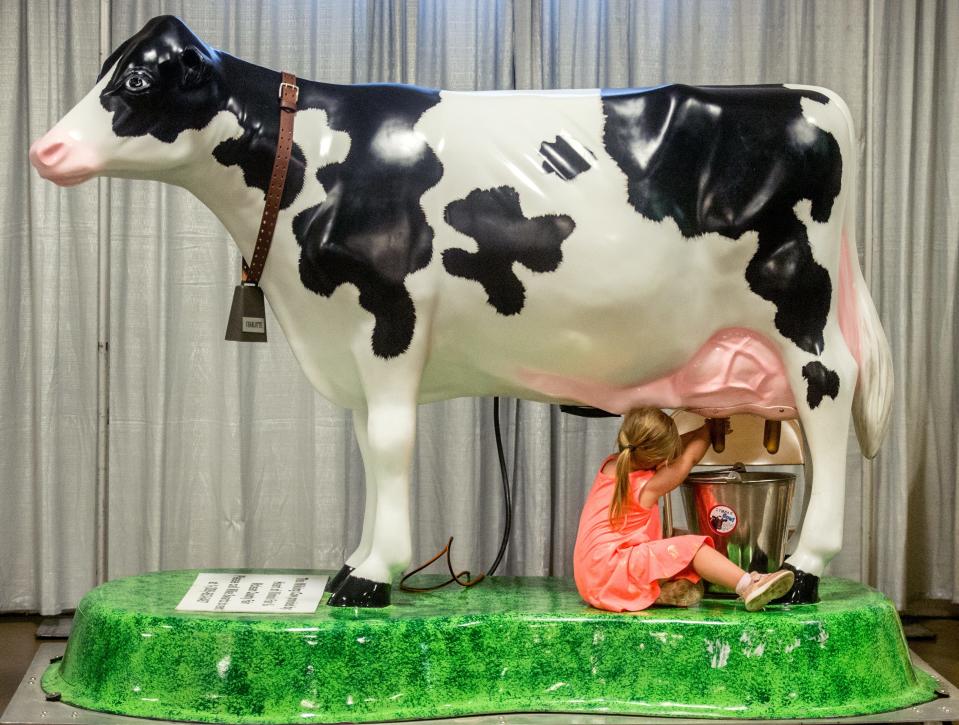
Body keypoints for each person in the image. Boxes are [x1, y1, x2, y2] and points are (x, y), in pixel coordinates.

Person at [573, 407, 795, 612]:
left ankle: (659, 593)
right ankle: (749, 584)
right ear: (660, 456)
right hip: (614, 571)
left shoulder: (612, 465)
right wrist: (708, 429)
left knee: (671, 547)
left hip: (593, 577)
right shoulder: (649, 487)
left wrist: (698, 431)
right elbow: (689, 457)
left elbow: (667, 447)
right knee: (693, 547)